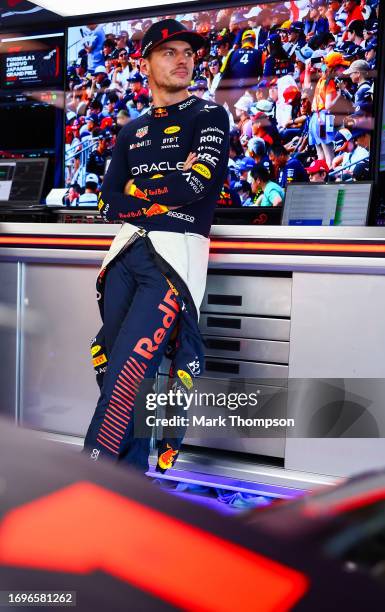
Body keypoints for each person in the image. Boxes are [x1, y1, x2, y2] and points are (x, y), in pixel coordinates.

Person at [83, 19, 230, 473]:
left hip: (172, 261)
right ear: (145, 63)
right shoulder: (131, 131)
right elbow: (110, 201)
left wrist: (141, 191)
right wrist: (161, 191)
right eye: (169, 52)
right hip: (124, 255)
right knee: (124, 376)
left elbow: (196, 185)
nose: (183, 59)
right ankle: (126, 487)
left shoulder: (210, 115)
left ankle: (89, 480)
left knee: (128, 376)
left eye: (188, 51)